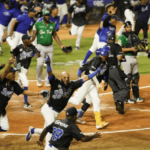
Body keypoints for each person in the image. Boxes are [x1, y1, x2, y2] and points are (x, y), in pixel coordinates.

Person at [26, 55, 104, 150]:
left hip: (57, 112)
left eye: (68, 77)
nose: (66, 79)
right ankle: (47, 147)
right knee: (53, 130)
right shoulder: (55, 82)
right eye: (64, 78)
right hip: (48, 109)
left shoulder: (72, 85)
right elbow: (50, 73)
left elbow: (85, 78)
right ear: (61, 77)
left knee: (48, 128)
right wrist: (48, 64)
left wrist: (96, 72)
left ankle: (33, 130)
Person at [0, 58, 49, 132]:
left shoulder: (14, 85)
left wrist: (39, 93)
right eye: (12, 73)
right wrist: (9, 63)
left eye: (14, 73)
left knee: (5, 127)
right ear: (7, 75)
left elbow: (25, 92)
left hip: (1, 109)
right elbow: (5, 72)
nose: (14, 74)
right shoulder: (1, 81)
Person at [68, 46, 109, 129]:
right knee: (77, 101)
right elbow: (91, 72)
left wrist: (102, 82)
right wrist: (98, 83)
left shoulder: (104, 62)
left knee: (96, 101)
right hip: (88, 82)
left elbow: (103, 74)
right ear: (108, 54)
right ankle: (62, 96)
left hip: (92, 84)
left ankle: (98, 123)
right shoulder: (98, 59)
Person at [37, 107, 101, 150]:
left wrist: (40, 140)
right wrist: (93, 136)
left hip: (48, 147)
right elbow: (83, 139)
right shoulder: (72, 126)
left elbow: (45, 129)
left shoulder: (57, 121)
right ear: (74, 116)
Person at [30, 9, 66, 87]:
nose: (47, 16)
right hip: (40, 47)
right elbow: (33, 36)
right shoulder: (37, 24)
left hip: (50, 47)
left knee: (49, 65)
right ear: (43, 16)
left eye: (48, 15)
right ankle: (39, 79)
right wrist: (30, 44)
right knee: (39, 64)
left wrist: (61, 45)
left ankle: (47, 80)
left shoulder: (52, 24)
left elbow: (55, 35)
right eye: (45, 15)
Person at [118, 21, 146, 103]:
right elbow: (120, 48)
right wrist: (130, 49)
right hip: (126, 58)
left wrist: (145, 47)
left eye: (130, 27)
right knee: (127, 79)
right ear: (124, 28)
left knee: (136, 77)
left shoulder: (134, 35)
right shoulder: (121, 37)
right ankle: (126, 98)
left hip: (134, 58)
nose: (129, 28)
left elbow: (140, 44)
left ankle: (136, 97)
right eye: (127, 27)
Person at [11, 34, 41, 108]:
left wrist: (37, 54)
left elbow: (37, 52)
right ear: (24, 41)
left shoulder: (32, 47)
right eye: (28, 39)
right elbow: (13, 53)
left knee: (19, 81)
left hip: (26, 68)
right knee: (25, 83)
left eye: (30, 38)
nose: (30, 39)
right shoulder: (19, 47)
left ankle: (11, 88)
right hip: (19, 66)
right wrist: (14, 61)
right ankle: (26, 103)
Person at [105, 34, 129, 114]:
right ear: (114, 39)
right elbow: (119, 58)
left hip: (106, 71)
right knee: (124, 88)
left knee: (115, 90)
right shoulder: (116, 46)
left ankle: (118, 106)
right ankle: (119, 101)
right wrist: (122, 54)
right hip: (114, 69)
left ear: (108, 40)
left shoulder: (104, 47)